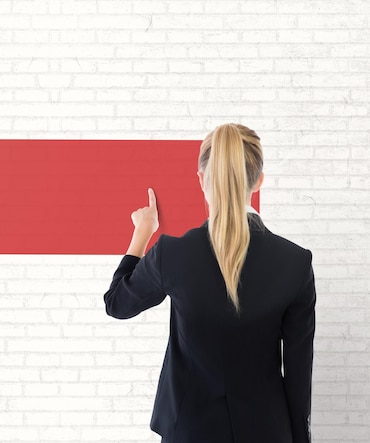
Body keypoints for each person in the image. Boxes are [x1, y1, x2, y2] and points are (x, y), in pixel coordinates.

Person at [103, 123, 316, 443]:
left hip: (189, 433)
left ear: (202, 180)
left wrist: (143, 232)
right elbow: (299, 378)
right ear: (258, 181)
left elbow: (117, 302)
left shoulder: (171, 255)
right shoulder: (295, 264)